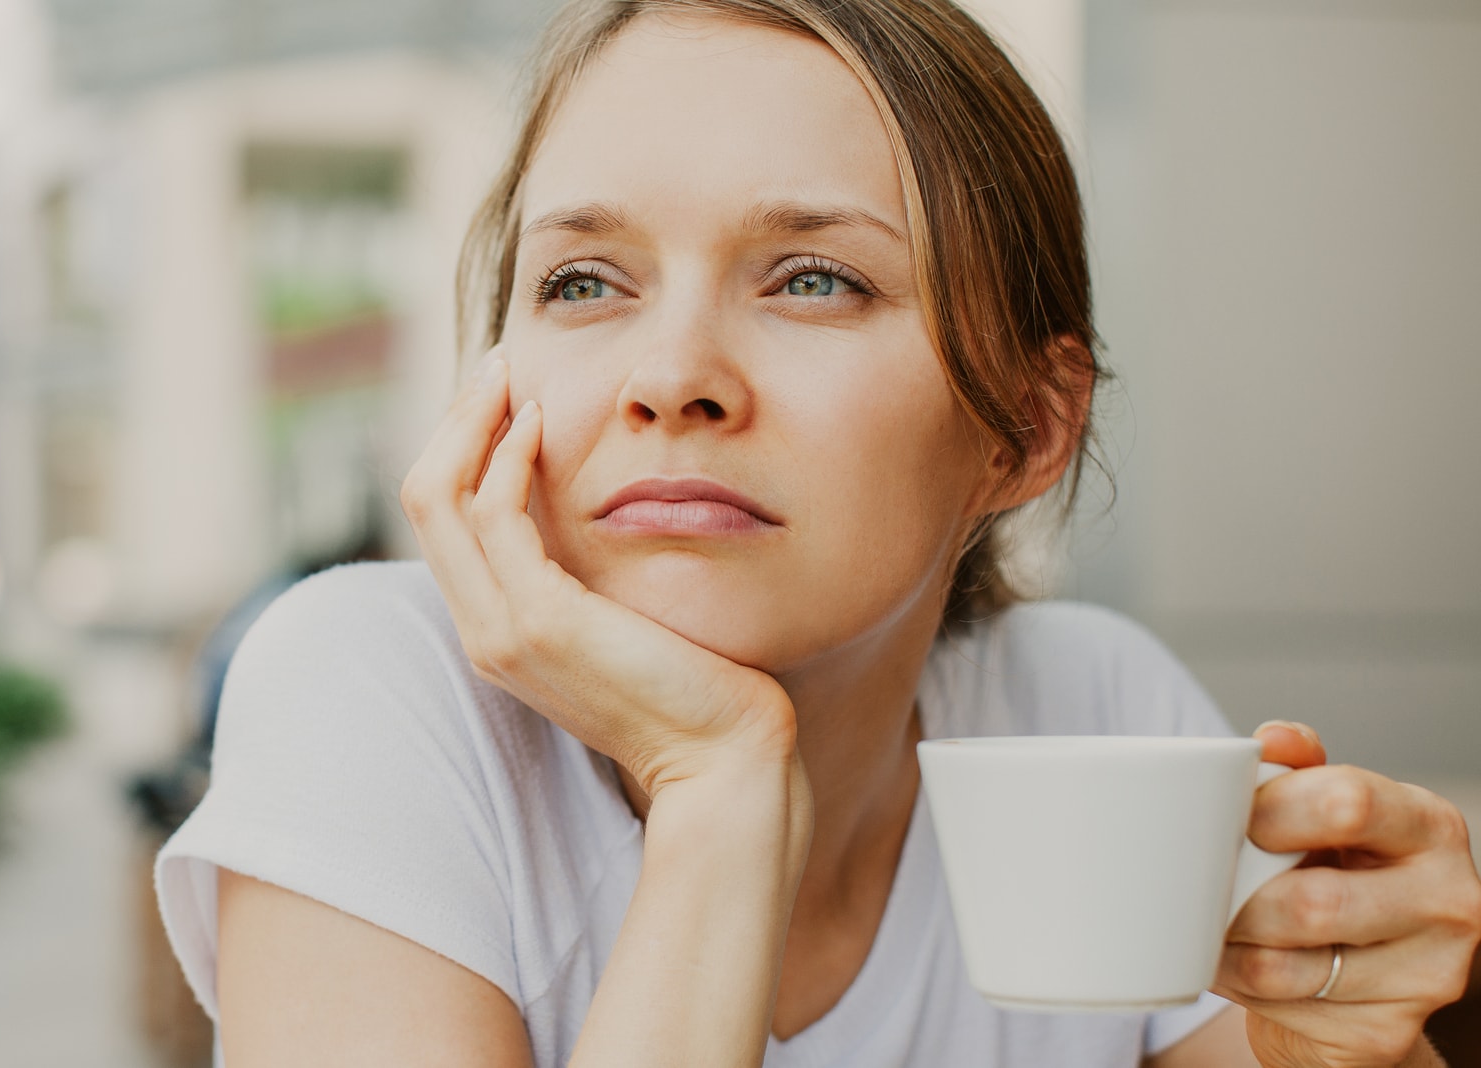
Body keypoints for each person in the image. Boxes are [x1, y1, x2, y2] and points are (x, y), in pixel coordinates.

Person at [154, 1, 1481, 1065]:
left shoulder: (1090, 705)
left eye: (813, 279)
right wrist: (719, 783)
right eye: (583, 281)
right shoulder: (371, 689)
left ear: (1021, 429)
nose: (670, 374)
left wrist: (1347, 1046)